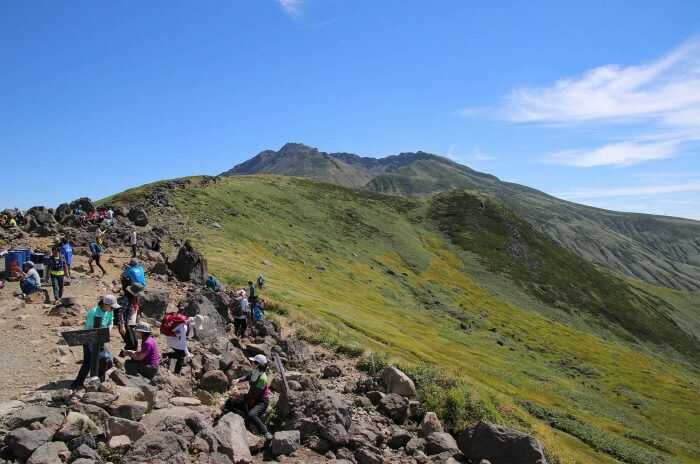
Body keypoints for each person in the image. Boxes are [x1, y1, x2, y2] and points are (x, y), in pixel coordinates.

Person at [71, 295, 118, 391]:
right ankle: (78, 383)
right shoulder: (94, 312)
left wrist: (108, 329)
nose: (113, 309)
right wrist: (102, 333)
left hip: (100, 338)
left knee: (105, 359)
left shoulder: (109, 311)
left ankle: (100, 380)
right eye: (112, 307)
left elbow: (111, 321)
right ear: (105, 304)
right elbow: (90, 328)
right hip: (89, 339)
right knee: (88, 362)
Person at [231, 354, 272, 439]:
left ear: (258, 365)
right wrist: (238, 380)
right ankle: (245, 420)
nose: (251, 363)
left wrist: (239, 394)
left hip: (262, 401)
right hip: (252, 397)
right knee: (231, 402)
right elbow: (248, 376)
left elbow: (255, 394)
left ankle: (265, 432)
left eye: (253, 362)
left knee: (251, 415)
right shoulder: (255, 371)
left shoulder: (262, 379)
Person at [163, 307, 191, 375]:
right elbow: (183, 341)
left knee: (180, 354)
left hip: (170, 339)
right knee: (182, 355)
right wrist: (188, 354)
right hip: (172, 341)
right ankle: (176, 372)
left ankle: (166, 356)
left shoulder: (179, 322)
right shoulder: (184, 326)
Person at [116, 285, 141, 352]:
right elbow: (120, 313)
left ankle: (131, 360)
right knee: (131, 344)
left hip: (132, 324)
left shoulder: (135, 299)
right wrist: (122, 326)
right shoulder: (126, 299)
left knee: (135, 344)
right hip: (125, 324)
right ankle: (121, 357)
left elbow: (136, 312)